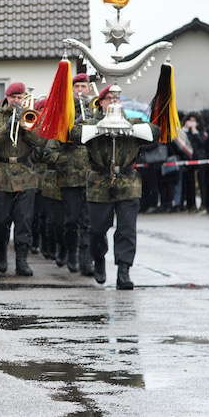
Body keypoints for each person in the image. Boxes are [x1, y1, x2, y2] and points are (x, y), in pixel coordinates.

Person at [72, 85, 159, 289]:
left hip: (127, 181)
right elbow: (74, 133)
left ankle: (124, 271)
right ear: (100, 102)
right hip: (99, 181)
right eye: (109, 98)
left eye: (117, 99)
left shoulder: (132, 121)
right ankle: (99, 259)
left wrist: (129, 129)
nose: (113, 102)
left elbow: (155, 132)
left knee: (126, 229)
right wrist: (100, 128)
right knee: (97, 230)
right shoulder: (90, 121)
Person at [0, 82, 45, 277]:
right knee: (0, 221)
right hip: (0, 173)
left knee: (24, 221)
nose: (17, 101)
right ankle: (0, 251)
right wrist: (7, 128)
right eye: (14, 97)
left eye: (20, 97)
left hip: (25, 173)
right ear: (7, 98)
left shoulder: (31, 117)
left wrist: (25, 127)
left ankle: (22, 261)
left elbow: (41, 141)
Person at [56, 73, 94, 275]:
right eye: (77, 86)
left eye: (83, 86)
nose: (80, 90)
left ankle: (86, 260)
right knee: (71, 220)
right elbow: (56, 141)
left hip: (90, 175)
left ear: (89, 89)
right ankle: (71, 251)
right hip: (69, 175)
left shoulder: (95, 111)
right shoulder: (65, 112)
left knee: (87, 221)